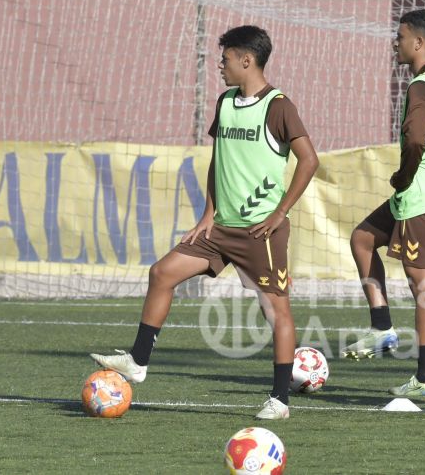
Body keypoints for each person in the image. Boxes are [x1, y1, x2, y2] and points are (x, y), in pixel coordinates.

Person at [90, 25, 319, 420]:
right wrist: (207, 215)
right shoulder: (226, 102)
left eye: (225, 58)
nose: (220, 65)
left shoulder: (279, 106)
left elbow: (310, 160)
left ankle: (280, 400)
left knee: (276, 311)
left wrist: (280, 213)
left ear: (247, 60)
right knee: (162, 272)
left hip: (259, 232)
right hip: (218, 230)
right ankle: (138, 362)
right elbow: (220, 160)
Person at [343, 9, 425, 397]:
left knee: (423, 285)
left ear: (418, 43)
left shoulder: (422, 86)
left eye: (400, 36)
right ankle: (381, 328)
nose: (395, 42)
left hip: (421, 196)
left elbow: (414, 140)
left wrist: (406, 175)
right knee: (362, 238)